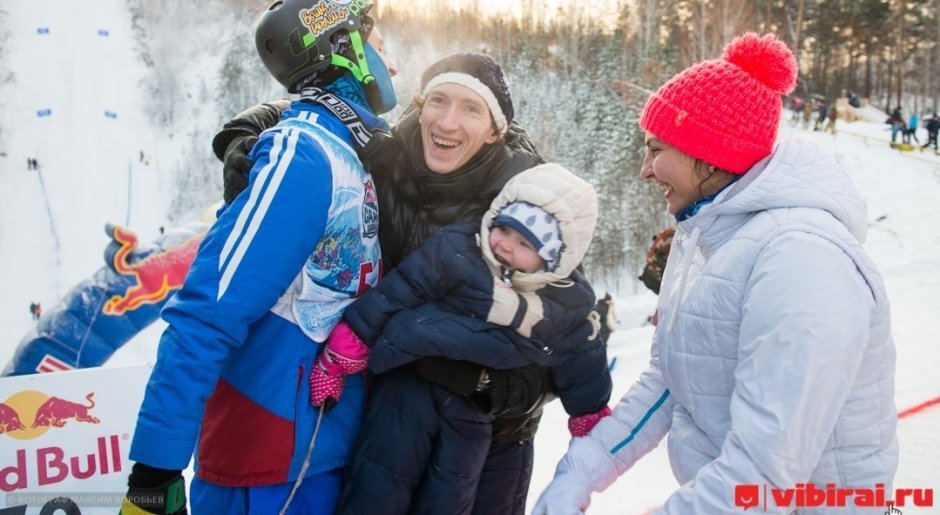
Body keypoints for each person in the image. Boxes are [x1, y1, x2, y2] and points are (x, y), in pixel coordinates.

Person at [533, 33, 897, 514]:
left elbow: (763, 475)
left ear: (709, 151)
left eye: (656, 148)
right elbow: (672, 377)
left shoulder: (801, 261)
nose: (645, 170)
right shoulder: (706, 234)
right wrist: (579, 473)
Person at [217, 52, 558, 514]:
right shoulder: (386, 155)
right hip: (384, 422)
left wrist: (479, 384)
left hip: (486, 449)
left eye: (471, 109)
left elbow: (563, 348)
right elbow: (316, 111)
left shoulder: (530, 203)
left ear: (496, 130)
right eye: (438, 100)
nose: (448, 122)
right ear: (419, 105)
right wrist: (245, 132)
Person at [121, 0, 398, 515]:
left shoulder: (348, 151)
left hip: (317, 451)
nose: (392, 62)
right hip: (266, 462)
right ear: (346, 51)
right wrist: (154, 472)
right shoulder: (303, 155)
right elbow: (208, 311)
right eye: (379, 43)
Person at [324, 163, 611, 514]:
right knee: (378, 481)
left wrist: (589, 417)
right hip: (406, 392)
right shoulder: (457, 250)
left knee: (450, 491)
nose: (505, 245)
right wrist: (344, 351)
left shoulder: (561, 303)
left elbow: (583, 361)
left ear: (553, 260)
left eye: (524, 243)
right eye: (504, 229)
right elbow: (397, 293)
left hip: (474, 412)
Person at [638, 226, 675, 325]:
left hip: (650, 274)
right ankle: (657, 321)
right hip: (654, 277)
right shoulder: (677, 236)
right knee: (670, 300)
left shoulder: (673, 232)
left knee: (669, 300)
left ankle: (657, 320)